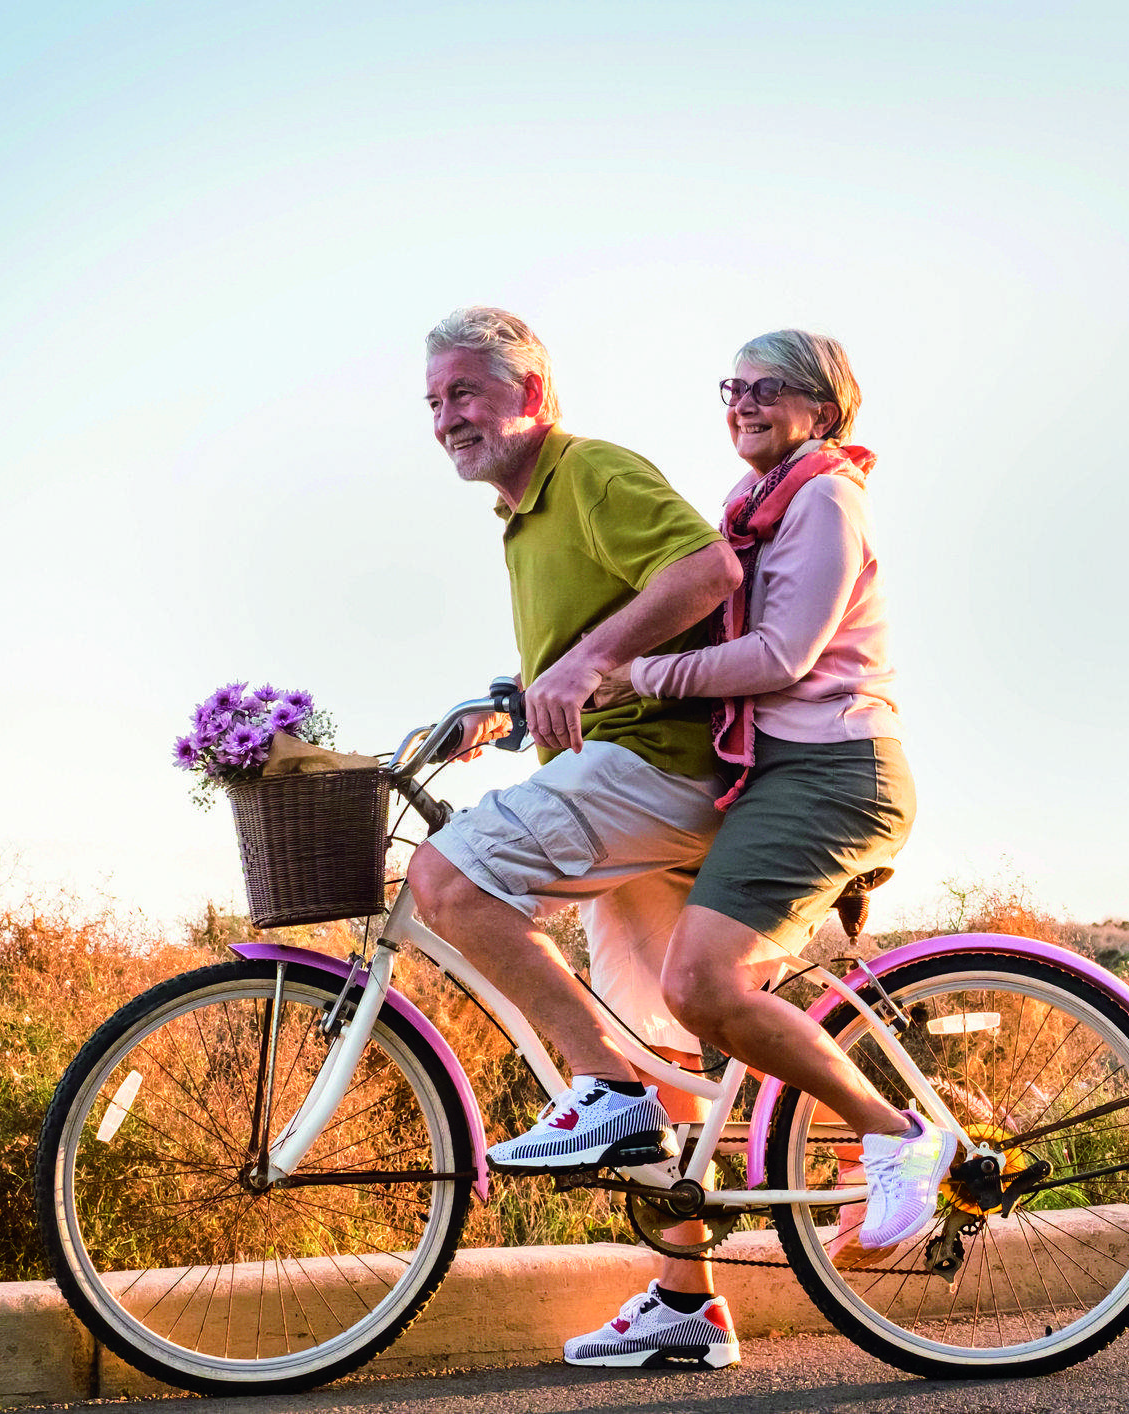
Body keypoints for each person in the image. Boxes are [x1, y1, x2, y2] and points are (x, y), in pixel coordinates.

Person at [568, 330, 929, 1368]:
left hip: (832, 773)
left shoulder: (824, 497)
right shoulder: (752, 507)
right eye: (731, 387)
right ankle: (685, 1299)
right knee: (675, 1013)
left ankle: (894, 1130)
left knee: (704, 985)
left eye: (767, 388)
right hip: (778, 780)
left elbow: (782, 655)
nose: (743, 402)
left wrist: (634, 676)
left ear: (823, 407)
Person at [403, 307, 742, 1364]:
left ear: (531, 393)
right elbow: (577, 652)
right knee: (670, 1059)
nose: (447, 418)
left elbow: (708, 572)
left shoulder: (588, 470)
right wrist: (510, 703)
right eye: (434, 402)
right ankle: (689, 1303)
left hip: (657, 768)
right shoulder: (520, 517)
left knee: (444, 877)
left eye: (465, 393)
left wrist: (588, 660)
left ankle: (598, 1083)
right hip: (626, 782)